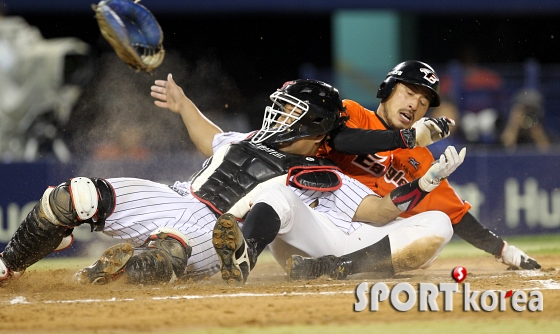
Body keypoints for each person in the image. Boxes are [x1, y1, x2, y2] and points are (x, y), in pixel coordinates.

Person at [0, 76, 460, 286]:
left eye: (290, 112)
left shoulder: (320, 173)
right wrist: (183, 105)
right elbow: (213, 138)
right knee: (73, 196)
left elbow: (379, 210)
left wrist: (422, 185)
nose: (278, 115)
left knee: (167, 254)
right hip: (176, 197)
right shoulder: (247, 137)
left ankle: (102, 274)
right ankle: (8, 263)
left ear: (315, 127)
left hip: (215, 229)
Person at [285, 60, 540, 281]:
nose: (414, 105)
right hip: (317, 229)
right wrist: (404, 138)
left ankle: (337, 267)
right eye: (408, 93)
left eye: (423, 102)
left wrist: (504, 250)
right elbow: (339, 141)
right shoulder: (355, 114)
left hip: (360, 245)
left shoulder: (421, 158)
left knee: (440, 224)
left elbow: (455, 215)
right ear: (386, 89)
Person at [500, 88, 551, 152]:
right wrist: (514, 125)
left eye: (531, 112)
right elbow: (505, 152)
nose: (527, 117)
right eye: (524, 112)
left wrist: (537, 132)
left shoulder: (550, 136)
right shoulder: (504, 133)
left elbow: (548, 155)